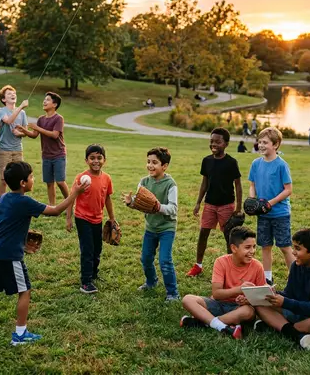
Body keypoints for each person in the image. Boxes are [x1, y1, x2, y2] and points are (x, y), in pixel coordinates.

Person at [0, 161, 86, 345]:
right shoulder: (25, 201)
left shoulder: (3, 198)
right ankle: (20, 335)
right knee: (25, 290)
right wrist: (75, 193)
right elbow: (55, 211)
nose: (33, 179)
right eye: (31, 177)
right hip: (9, 255)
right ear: (23, 183)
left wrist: (14, 234)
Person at [255, 228, 310, 351]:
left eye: (298, 248)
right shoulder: (296, 266)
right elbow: (289, 294)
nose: (293, 252)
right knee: (260, 304)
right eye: (293, 247)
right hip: (300, 311)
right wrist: (273, 294)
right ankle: (296, 333)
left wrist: (285, 302)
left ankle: (284, 326)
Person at [180, 226, 266, 339]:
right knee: (188, 299)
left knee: (248, 312)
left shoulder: (257, 266)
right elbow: (216, 294)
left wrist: (248, 300)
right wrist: (239, 289)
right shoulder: (221, 262)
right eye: (247, 247)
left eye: (254, 247)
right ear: (234, 248)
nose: (252, 251)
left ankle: (204, 322)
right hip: (218, 304)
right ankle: (223, 326)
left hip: (238, 308)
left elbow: (261, 295)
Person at [121, 147, 179, 301]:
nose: (150, 165)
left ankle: (173, 293)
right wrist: (131, 202)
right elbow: (141, 205)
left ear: (164, 166)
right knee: (146, 258)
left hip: (167, 228)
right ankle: (151, 282)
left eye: (155, 162)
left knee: (164, 260)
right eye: (148, 162)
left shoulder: (170, 184)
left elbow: (173, 208)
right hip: (151, 228)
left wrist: (159, 207)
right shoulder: (144, 182)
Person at [187, 129, 242, 278]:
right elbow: (204, 183)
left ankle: (232, 268)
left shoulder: (231, 162)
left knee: (229, 237)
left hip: (226, 205)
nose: (213, 144)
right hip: (210, 204)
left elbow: (237, 184)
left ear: (226, 144)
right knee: (203, 233)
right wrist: (198, 202)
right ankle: (198, 265)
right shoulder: (207, 161)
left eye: (218, 142)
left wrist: (238, 207)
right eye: (212, 141)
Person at [16, 92, 70, 229]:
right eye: (44, 99)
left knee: (60, 182)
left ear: (55, 104)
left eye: (47, 100)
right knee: (49, 183)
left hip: (58, 154)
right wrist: (24, 131)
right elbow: (34, 135)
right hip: (46, 155)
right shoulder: (41, 119)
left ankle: (70, 204)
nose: (44, 102)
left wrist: (37, 128)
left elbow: (54, 135)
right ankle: (52, 208)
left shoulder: (59, 118)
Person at [249, 127, 294, 286]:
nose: (261, 145)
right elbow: (252, 185)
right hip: (263, 214)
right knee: (265, 246)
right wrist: (253, 200)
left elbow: (288, 190)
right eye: (259, 142)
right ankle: (267, 278)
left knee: (284, 247)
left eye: (265, 142)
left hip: (280, 213)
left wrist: (270, 203)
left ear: (275, 145)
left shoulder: (281, 165)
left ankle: (296, 278)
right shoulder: (256, 163)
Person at [73, 144, 115, 294]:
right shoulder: (81, 178)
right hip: (82, 218)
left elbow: (108, 198)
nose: (95, 161)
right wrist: (68, 219)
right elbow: (72, 198)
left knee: (97, 248)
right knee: (88, 250)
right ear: (86, 160)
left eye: (99, 158)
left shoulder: (106, 178)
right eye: (92, 158)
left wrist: (112, 218)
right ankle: (85, 282)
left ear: (104, 160)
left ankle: (93, 273)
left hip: (98, 219)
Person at [0, 85, 29, 196]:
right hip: (4, 150)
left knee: (20, 178)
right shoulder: (2, 111)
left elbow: (26, 131)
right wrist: (20, 107)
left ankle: (18, 201)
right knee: (3, 179)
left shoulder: (23, 113)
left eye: (14, 93)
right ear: (3, 99)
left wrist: (20, 133)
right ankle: (1, 203)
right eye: (9, 93)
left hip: (18, 150)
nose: (13, 95)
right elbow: (9, 121)